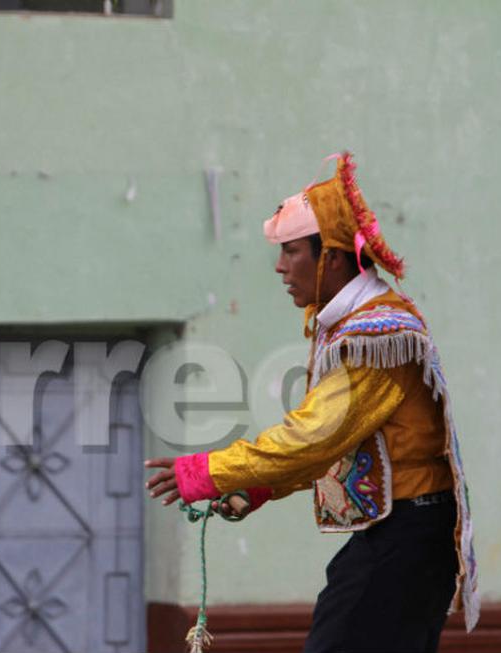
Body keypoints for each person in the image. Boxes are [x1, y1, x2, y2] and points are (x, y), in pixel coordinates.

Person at [145, 152, 478, 653]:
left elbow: (314, 439)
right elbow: (336, 446)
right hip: (405, 534)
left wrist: (212, 470)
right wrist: (255, 488)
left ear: (334, 257)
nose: (280, 267)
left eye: (292, 251)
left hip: (404, 537)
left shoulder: (373, 334)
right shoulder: (358, 325)